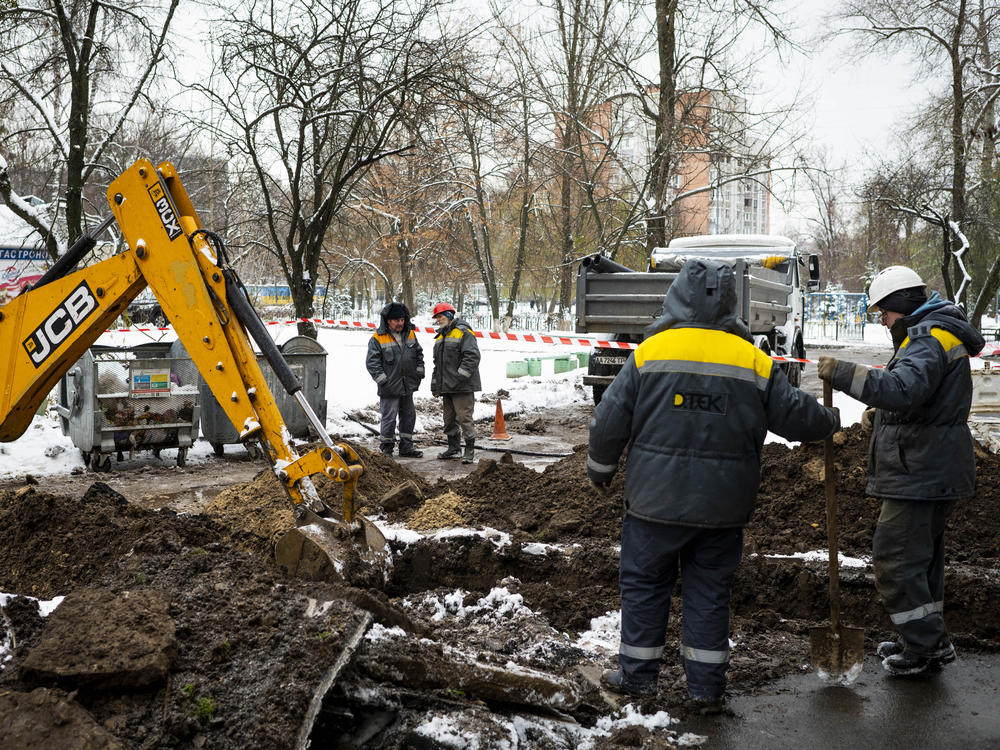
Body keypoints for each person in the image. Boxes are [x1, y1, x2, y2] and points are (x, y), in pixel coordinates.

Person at [587, 258, 839, 710]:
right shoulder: (752, 359)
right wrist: (829, 421)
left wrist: (600, 471)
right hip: (723, 508)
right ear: (730, 303)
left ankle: (638, 676)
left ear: (677, 296)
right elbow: (798, 418)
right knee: (708, 592)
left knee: (645, 585)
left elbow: (608, 420)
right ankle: (705, 690)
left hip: (652, 504)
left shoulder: (650, 352)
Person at [818, 265, 984, 676]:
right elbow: (923, 399)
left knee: (894, 556)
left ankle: (927, 647)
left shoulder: (927, 338)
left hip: (921, 470)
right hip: (931, 465)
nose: (882, 321)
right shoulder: (934, 333)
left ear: (902, 304)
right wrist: (883, 417)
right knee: (922, 560)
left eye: (883, 313)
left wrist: (843, 373)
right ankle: (925, 638)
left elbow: (905, 390)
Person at [365, 302, 425, 458]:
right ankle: (387, 450)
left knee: (408, 417)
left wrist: (419, 372)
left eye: (402, 320)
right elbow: (372, 363)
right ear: (388, 321)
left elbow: (419, 354)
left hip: (407, 385)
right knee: (389, 419)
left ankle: (406, 447)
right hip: (389, 388)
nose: (400, 323)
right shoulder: (377, 338)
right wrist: (383, 381)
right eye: (396, 320)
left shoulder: (410, 334)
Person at [430, 302, 482, 464]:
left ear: (450, 315)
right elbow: (437, 364)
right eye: (437, 317)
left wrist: (459, 377)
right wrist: (435, 385)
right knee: (449, 419)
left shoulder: (463, 332)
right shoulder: (440, 337)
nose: (438, 320)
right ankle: (453, 449)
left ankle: (469, 449)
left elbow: (472, 356)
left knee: (464, 418)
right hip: (447, 387)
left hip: (462, 387)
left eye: (440, 316)